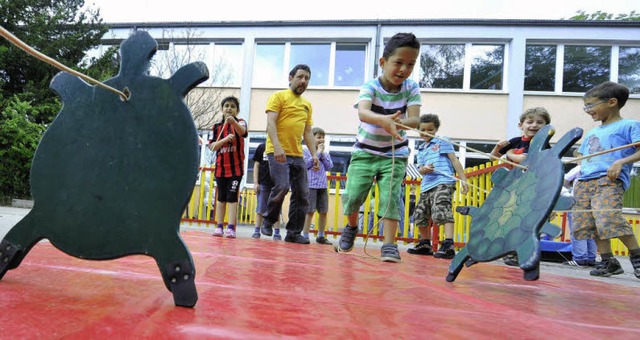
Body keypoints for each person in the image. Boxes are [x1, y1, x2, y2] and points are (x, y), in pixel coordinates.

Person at [336, 32, 421, 263]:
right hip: (364, 152)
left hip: (395, 154)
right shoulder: (370, 86)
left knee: (390, 198)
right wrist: (384, 120)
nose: (404, 69)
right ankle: (351, 227)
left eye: (411, 64)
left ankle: (389, 244)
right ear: (383, 62)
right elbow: (363, 112)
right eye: (399, 63)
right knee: (353, 196)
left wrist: (399, 122)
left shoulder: (411, 88)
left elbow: (415, 120)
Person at [572, 81, 640, 278]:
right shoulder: (592, 132)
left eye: (591, 106)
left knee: (608, 218)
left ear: (611, 102)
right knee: (589, 222)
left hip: (608, 180)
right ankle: (608, 261)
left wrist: (620, 162)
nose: (587, 111)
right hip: (585, 181)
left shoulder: (629, 125)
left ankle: (636, 256)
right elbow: (583, 155)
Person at [260, 64, 319, 244]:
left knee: (302, 193)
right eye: (300, 77)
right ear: (290, 78)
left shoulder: (307, 105)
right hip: (277, 151)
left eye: (307, 78)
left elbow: (308, 133)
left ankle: (293, 232)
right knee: (283, 186)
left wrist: (314, 155)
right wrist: (277, 147)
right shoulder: (278, 97)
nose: (303, 81)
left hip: (297, 154)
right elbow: (271, 124)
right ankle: (268, 220)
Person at [490, 107, 551, 266]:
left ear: (546, 127)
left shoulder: (542, 144)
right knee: (508, 218)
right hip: (511, 187)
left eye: (539, 122)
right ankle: (510, 251)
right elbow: (493, 158)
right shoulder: (516, 141)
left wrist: (509, 154)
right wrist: (498, 148)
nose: (534, 125)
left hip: (530, 187)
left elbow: (524, 159)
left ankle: (521, 252)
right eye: (529, 122)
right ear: (520, 125)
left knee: (523, 220)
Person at [407, 114, 469, 259]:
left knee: (441, 210)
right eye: (422, 129)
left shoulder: (442, 141)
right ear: (418, 130)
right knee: (420, 215)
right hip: (426, 185)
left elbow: (454, 160)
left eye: (430, 129)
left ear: (436, 130)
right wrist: (424, 169)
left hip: (443, 181)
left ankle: (448, 244)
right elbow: (420, 169)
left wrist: (463, 179)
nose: (426, 132)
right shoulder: (421, 148)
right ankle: (425, 244)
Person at [209, 96, 248, 238]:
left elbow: (243, 133)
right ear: (222, 109)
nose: (229, 108)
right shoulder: (216, 127)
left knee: (232, 196)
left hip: (235, 169)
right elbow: (212, 147)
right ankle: (219, 226)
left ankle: (231, 227)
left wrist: (233, 123)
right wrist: (225, 140)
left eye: (232, 106)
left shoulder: (241, 122)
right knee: (221, 198)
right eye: (226, 106)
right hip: (221, 168)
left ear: (237, 110)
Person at [302, 127, 334, 245]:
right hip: (310, 185)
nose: (321, 140)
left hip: (322, 185)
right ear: (311, 138)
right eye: (318, 137)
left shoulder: (325, 153)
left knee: (323, 211)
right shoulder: (305, 151)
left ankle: (321, 236)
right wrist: (317, 153)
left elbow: (329, 166)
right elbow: (305, 165)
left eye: (323, 138)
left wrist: (322, 154)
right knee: (309, 211)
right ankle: (305, 235)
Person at [561, 165, 598, 267]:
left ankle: (580, 258)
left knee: (577, 230)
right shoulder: (599, 167)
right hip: (594, 202)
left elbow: (564, 180)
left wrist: (567, 192)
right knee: (591, 231)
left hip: (578, 201)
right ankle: (591, 258)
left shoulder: (580, 167)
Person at [252, 142, 281, 240]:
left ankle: (277, 233)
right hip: (263, 183)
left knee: (276, 209)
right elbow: (256, 165)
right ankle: (257, 230)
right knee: (260, 208)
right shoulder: (262, 147)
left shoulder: (281, 147)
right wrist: (256, 183)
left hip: (276, 184)